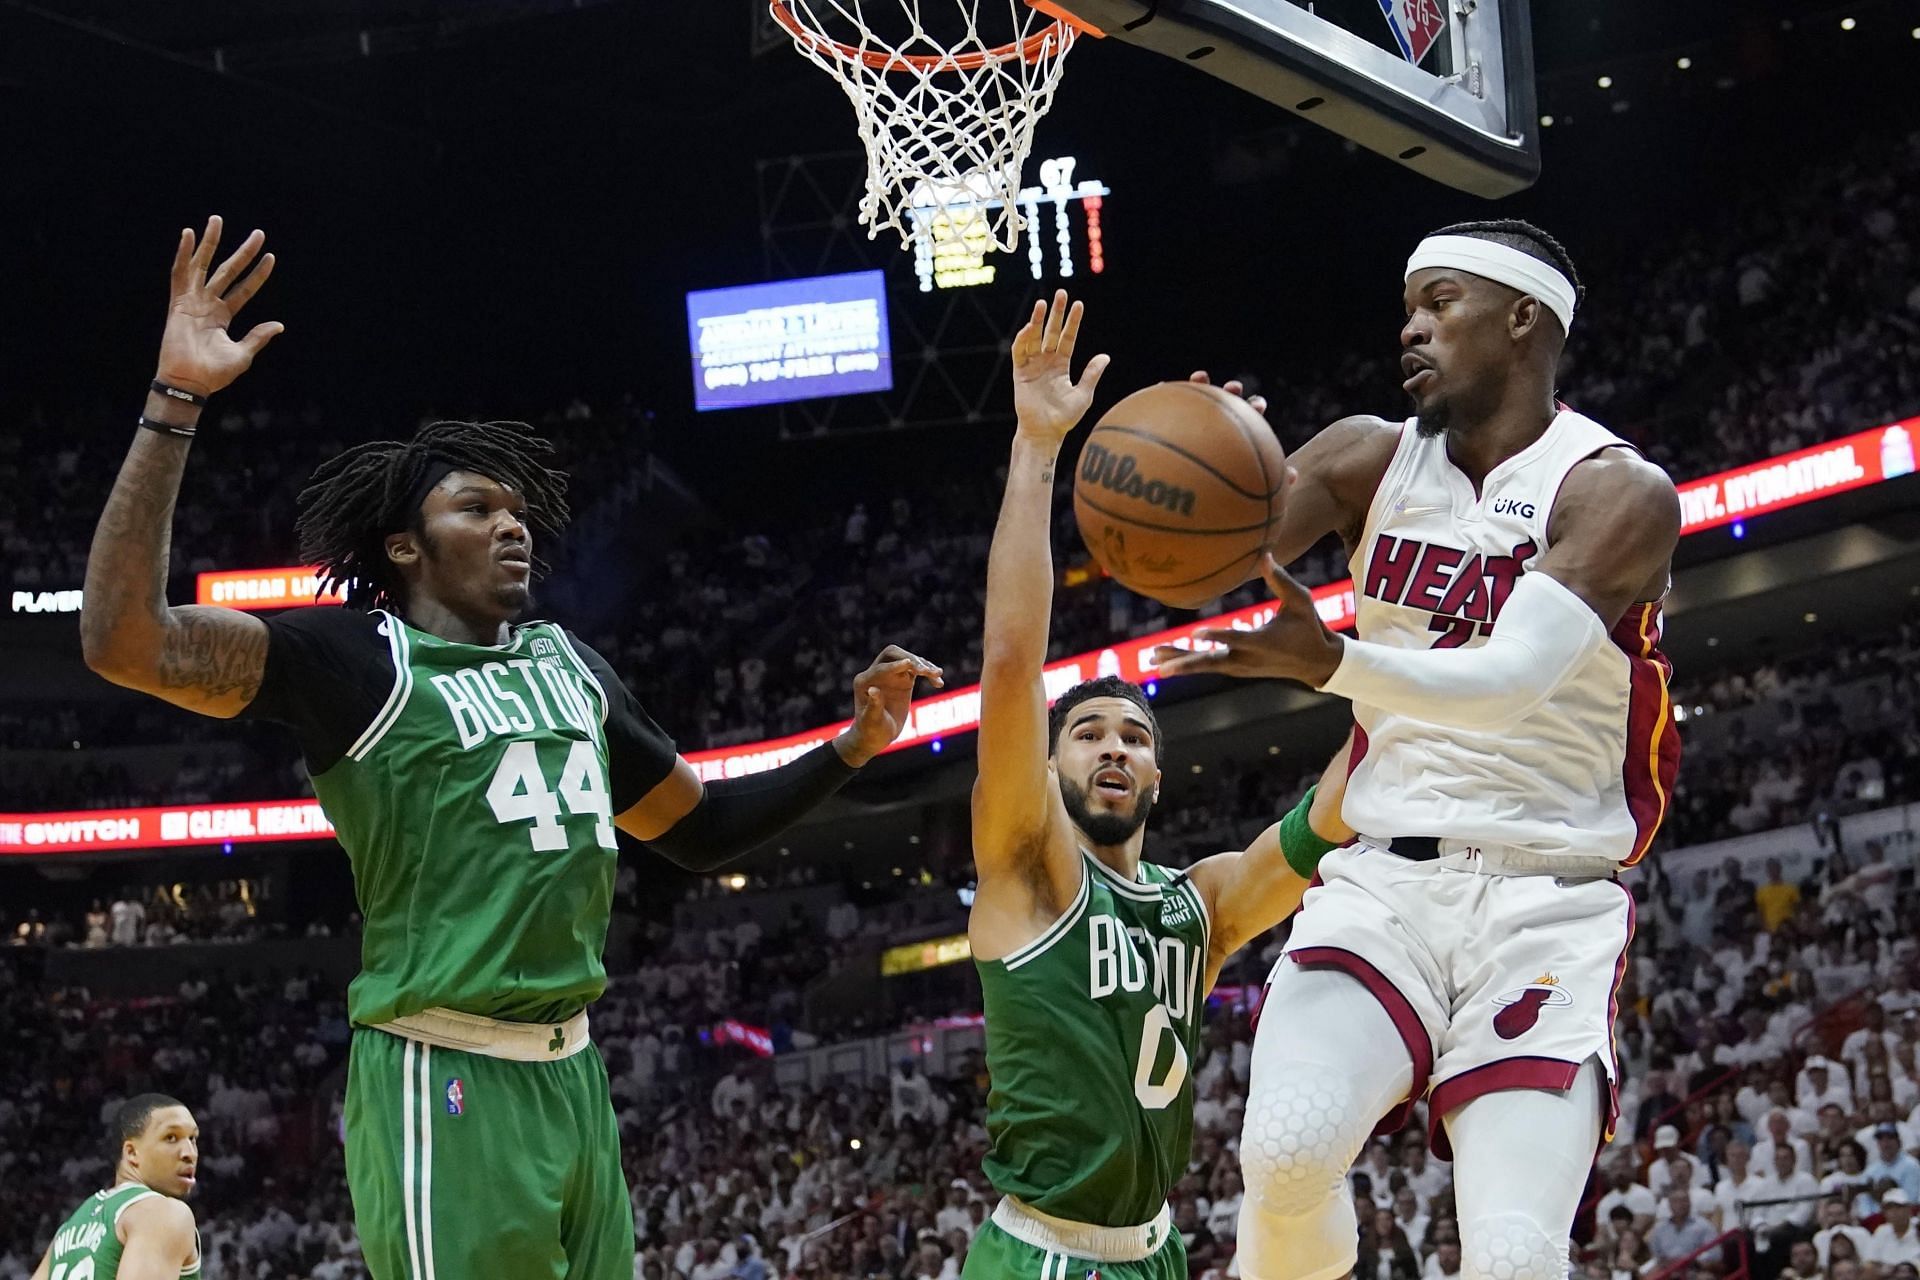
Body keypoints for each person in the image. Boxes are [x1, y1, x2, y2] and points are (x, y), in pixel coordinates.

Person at [77, 218, 942, 1280]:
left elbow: (703, 831)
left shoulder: (570, 663)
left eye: (520, 509)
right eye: (475, 506)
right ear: (406, 544)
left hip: (575, 1073)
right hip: (443, 1069)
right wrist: (176, 401)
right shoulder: (357, 658)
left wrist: (853, 742)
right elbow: (125, 641)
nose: (512, 524)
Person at [1155, 220, 1682, 1280]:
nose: (1412, 327)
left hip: (1548, 900)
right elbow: (1190, 574)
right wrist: (1215, 472)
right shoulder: (1364, 458)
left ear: (1524, 318)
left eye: (1441, 302)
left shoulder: (1616, 491)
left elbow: (1503, 685)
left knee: (1514, 1258)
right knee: (1287, 1150)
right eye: (1408, 305)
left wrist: (1331, 662)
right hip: (1382, 882)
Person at [959, 292, 1353, 1280]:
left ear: (1158, 776)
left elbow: (1334, 812)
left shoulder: (1200, 906)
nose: (1112, 748)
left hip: (1158, 1253)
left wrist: (1259, 480)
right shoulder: (1030, 870)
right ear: (1050, 767)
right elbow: (1011, 660)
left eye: (1133, 735)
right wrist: (1037, 447)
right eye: (1087, 732)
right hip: (1042, 1254)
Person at [30, 1095, 202, 1280]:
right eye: (171, 1138)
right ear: (131, 1152)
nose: (189, 1153)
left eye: (192, 1139)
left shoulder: (68, 1229)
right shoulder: (163, 1213)